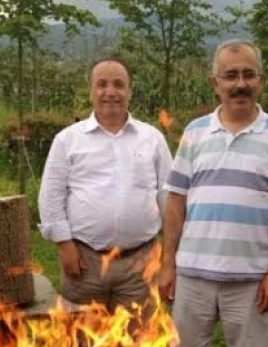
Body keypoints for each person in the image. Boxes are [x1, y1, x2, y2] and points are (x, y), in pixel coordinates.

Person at [159, 39, 268, 347]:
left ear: (260, 81)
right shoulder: (195, 133)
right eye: (231, 76)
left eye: (248, 75)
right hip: (192, 276)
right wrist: (168, 263)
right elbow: (176, 200)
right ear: (216, 83)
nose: (240, 84)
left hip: (251, 281)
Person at [38, 57, 173, 311]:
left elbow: (169, 198)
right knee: (82, 335)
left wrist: (168, 254)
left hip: (141, 264)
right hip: (85, 262)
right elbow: (51, 197)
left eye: (118, 85)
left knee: (139, 334)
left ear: (129, 91)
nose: (110, 92)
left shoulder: (152, 139)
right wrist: (65, 246)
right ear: (91, 91)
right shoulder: (67, 140)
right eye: (102, 85)